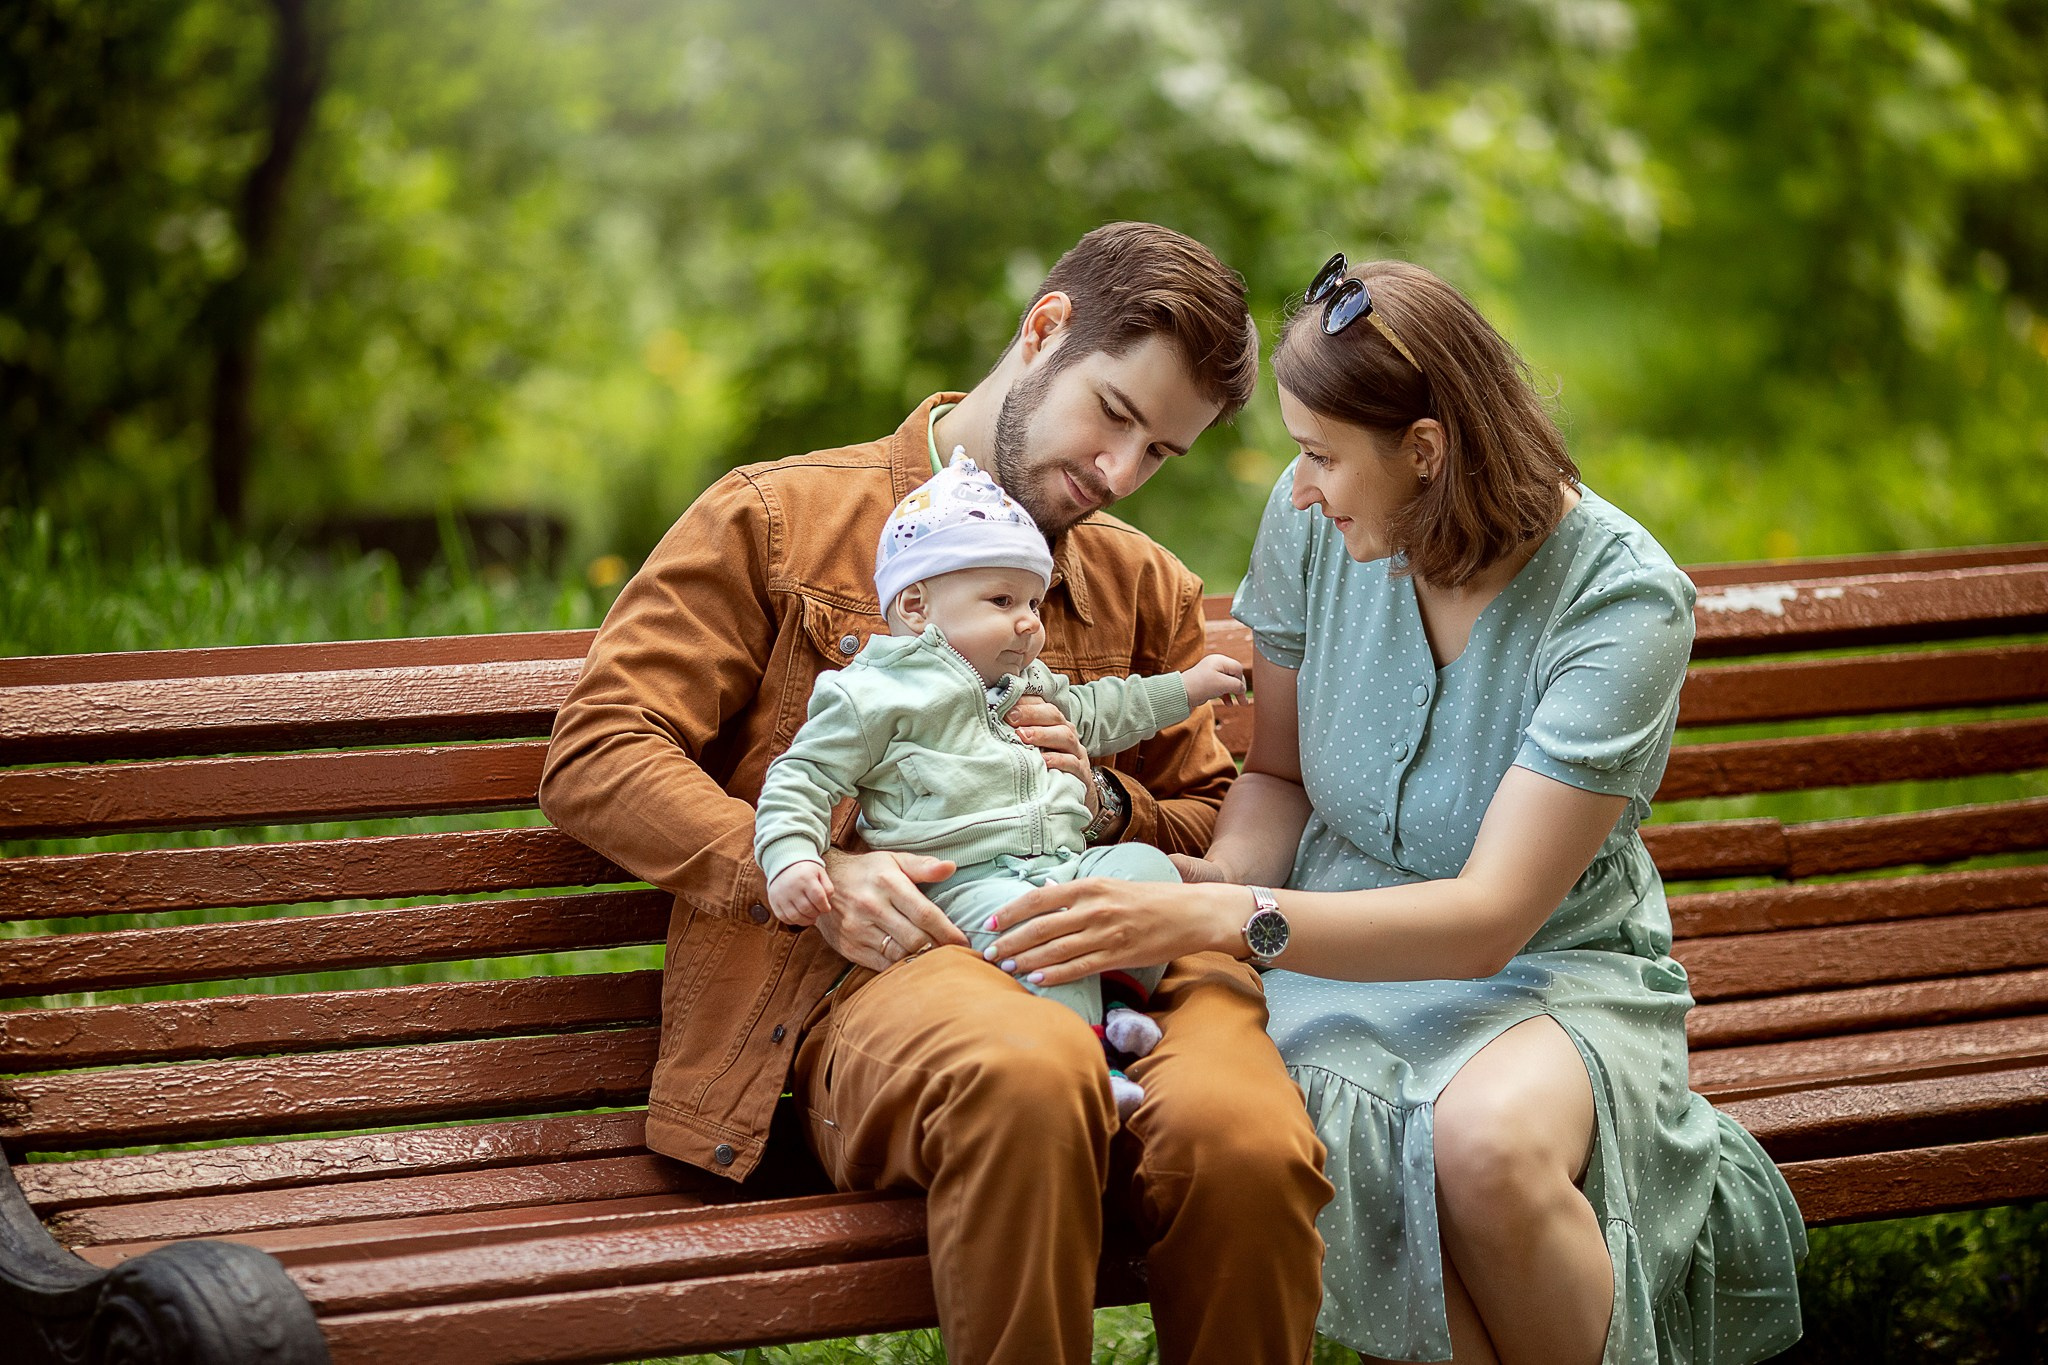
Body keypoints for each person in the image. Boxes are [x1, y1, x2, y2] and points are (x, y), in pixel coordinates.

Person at [984, 255, 1808, 1365]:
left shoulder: (1618, 600)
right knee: (1315, 1124)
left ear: (1423, 450)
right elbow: (1274, 781)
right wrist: (1200, 889)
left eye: (1322, 454)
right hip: (1322, 961)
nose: (1301, 486)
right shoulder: (1311, 520)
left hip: (1550, 974)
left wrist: (1224, 920)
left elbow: (1487, 921)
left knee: (1481, 1146)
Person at [538, 222, 1332, 1365]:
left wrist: (1108, 806)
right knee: (1028, 1070)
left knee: (1246, 1139)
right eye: (1111, 414)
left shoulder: (1140, 582)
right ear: (1044, 328)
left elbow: (1212, 820)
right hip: (879, 981)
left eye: (1159, 453)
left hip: (1132, 956)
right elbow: (601, 746)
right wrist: (800, 872)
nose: (1116, 473)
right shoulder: (781, 520)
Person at [756, 449, 1251, 1117]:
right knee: (1047, 941)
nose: (1029, 622)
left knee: (1148, 873)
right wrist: (789, 856)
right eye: (1002, 600)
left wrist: (1187, 689)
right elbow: (801, 776)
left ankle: (1117, 1007)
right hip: (966, 884)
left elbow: (1107, 708)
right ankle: (1090, 1063)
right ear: (916, 604)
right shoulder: (871, 695)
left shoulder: (1022, 687)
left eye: (1033, 602)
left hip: (1062, 864)